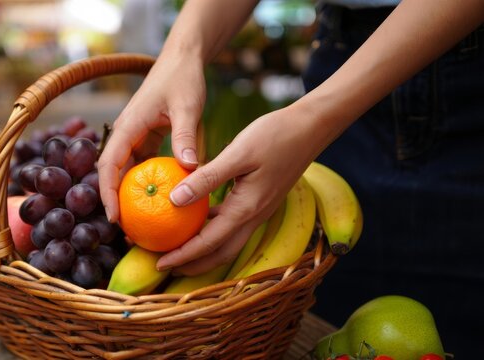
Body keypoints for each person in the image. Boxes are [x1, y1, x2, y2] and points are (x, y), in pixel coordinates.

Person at [98, 0, 484, 356]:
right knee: (325, 330)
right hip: (338, 50)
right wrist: (182, 53)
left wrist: (314, 119)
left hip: (465, 78)